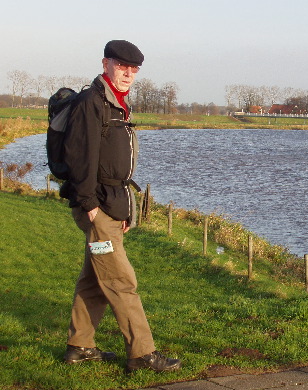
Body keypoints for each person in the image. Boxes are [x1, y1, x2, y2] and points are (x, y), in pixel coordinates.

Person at [61, 39, 181, 373]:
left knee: (93, 278)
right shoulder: (92, 102)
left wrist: (125, 209)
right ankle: (143, 355)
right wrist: (89, 205)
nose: (128, 73)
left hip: (111, 204)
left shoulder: (116, 103)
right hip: (96, 206)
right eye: (121, 66)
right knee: (120, 281)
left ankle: (80, 346)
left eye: (133, 69)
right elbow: (79, 157)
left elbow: (115, 166)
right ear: (106, 64)